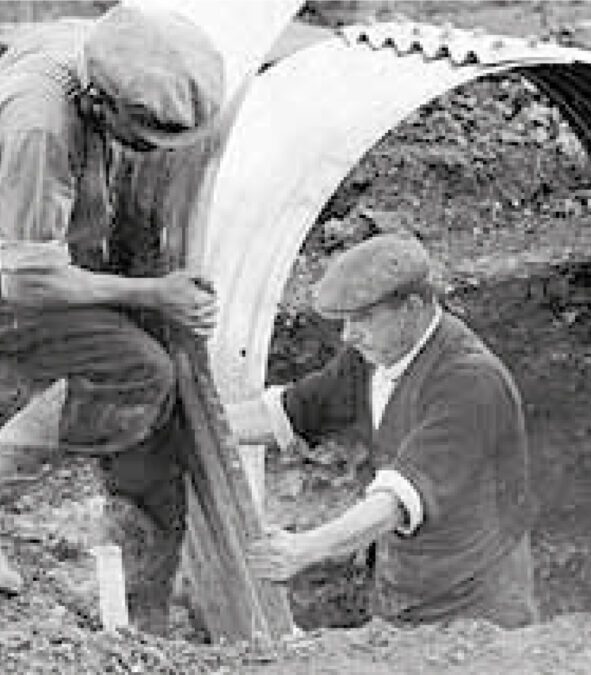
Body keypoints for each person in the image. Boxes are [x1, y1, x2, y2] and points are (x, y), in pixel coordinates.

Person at [0, 5, 223, 634]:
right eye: (142, 141)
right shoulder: (39, 125)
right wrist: (153, 294)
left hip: (29, 243)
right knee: (137, 370)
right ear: (103, 105)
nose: (148, 154)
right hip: (12, 274)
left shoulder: (102, 52)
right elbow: (25, 277)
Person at [229, 233, 538, 628]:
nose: (348, 335)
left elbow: (396, 500)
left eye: (363, 318)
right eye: (345, 320)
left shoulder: (469, 380)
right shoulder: (374, 357)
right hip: (402, 595)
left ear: (412, 307)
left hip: (476, 609)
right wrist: (190, 421)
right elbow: (291, 412)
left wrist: (303, 549)